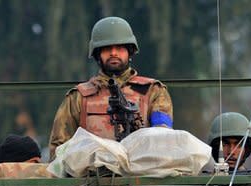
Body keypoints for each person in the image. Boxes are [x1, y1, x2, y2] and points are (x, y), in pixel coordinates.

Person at [48, 16, 173, 159]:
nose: (114, 53)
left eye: (119, 47)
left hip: (141, 175)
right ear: (97, 54)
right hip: (91, 178)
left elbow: (164, 139)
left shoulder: (153, 91)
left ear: (129, 51)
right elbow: (59, 149)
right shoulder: (78, 97)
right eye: (107, 48)